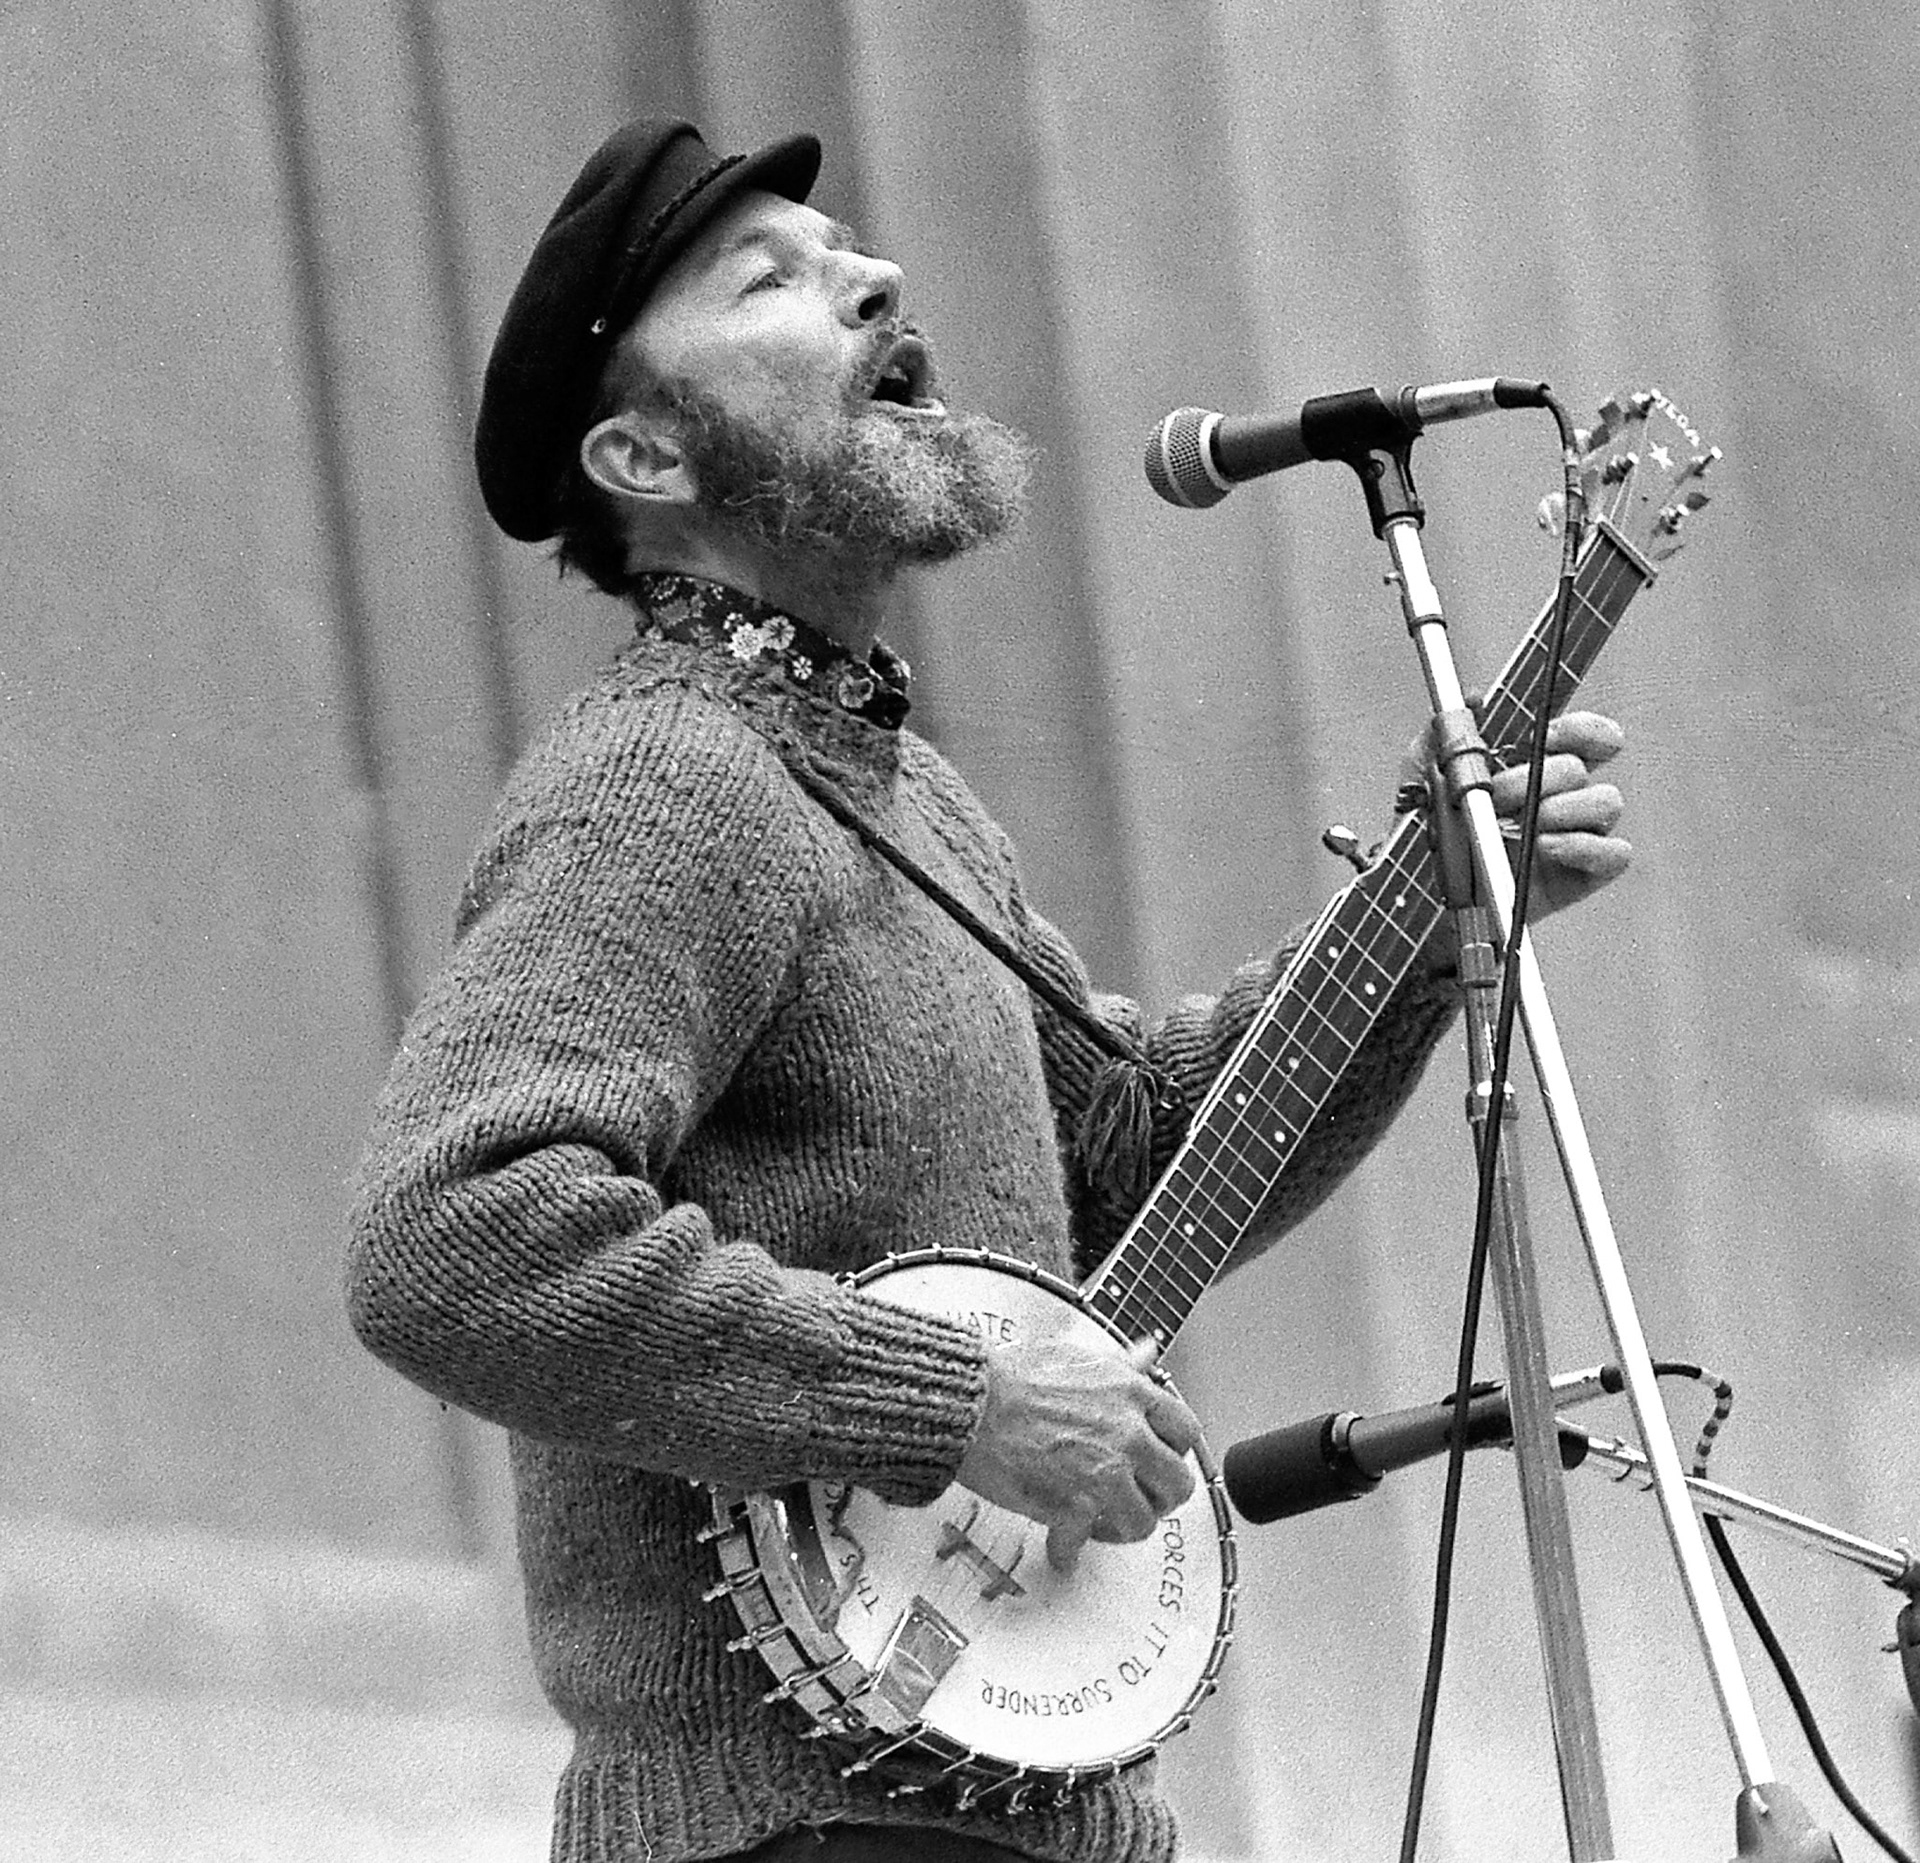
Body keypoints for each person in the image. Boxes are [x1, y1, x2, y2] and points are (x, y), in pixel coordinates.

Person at [346, 119, 1629, 1863]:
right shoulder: (663, 781)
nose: (875, 280)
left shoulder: (902, 791)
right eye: (772, 281)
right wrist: (960, 1406)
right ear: (642, 451)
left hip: (1018, 1808)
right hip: (795, 1832)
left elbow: (1132, 1162)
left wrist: (1420, 928)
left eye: (854, 249)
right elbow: (453, 1236)